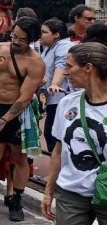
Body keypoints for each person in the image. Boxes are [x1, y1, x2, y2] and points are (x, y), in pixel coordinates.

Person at [42, 43, 107, 225]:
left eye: (70, 66)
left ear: (88, 68)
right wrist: (49, 190)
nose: (66, 72)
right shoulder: (68, 103)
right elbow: (58, 150)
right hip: (72, 195)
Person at [0, 17, 47, 221]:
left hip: (19, 113)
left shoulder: (35, 63)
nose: (15, 41)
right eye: (14, 35)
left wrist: (4, 120)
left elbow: (24, 98)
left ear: (31, 40)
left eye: (21, 39)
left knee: (19, 157)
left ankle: (16, 200)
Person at [41, 18, 74, 157]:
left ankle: (59, 169)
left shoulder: (63, 46)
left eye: (44, 32)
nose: (41, 35)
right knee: (51, 133)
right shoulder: (49, 47)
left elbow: (61, 65)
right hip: (52, 98)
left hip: (61, 96)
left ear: (56, 34)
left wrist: (55, 83)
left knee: (53, 134)